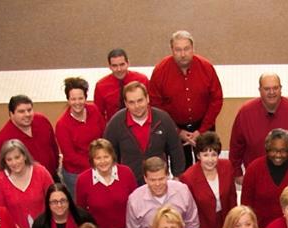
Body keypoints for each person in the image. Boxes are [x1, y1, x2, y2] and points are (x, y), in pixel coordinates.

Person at [149, 30, 223, 169]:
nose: (183, 54)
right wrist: (177, 131)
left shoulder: (206, 68)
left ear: (193, 48)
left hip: (204, 126)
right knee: (182, 169)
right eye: (178, 50)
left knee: (208, 167)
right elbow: (156, 105)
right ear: (172, 50)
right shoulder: (160, 71)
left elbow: (216, 99)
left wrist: (201, 131)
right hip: (174, 127)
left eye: (186, 49)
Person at [229, 73, 288, 177]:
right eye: (267, 89)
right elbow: (236, 147)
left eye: (275, 88)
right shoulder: (245, 113)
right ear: (259, 90)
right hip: (257, 177)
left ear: (281, 88)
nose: (272, 92)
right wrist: (237, 174)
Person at [103, 81, 185, 181]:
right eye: (131, 102)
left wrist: (177, 176)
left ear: (147, 98)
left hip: (158, 180)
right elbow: (108, 153)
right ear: (125, 103)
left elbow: (175, 149)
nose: (137, 106)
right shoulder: (116, 123)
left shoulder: (163, 119)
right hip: (129, 181)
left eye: (140, 100)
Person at [125, 156, 200, 228]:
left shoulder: (182, 191)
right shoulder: (134, 200)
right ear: (145, 179)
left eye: (161, 179)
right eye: (152, 180)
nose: (157, 184)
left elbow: (192, 223)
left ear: (168, 176)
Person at [73, 138, 138, 228]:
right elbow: (81, 212)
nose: (103, 161)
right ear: (92, 160)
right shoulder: (83, 180)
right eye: (98, 158)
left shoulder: (126, 173)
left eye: (106, 157)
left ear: (112, 156)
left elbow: (137, 203)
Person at [179, 131, 237, 228]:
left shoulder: (227, 166)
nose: (210, 160)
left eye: (214, 155)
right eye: (205, 155)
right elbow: (189, 211)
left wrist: (233, 222)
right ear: (198, 156)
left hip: (227, 223)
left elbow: (232, 196)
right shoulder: (188, 178)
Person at [240, 129, 288, 228]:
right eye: (273, 150)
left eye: (283, 151)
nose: (278, 155)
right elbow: (245, 206)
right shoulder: (253, 169)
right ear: (267, 148)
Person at [55, 77, 106, 199]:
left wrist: (103, 160)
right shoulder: (62, 125)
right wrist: (96, 164)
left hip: (100, 165)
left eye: (80, 98)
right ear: (68, 100)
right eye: (73, 99)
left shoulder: (94, 110)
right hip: (76, 174)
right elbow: (70, 156)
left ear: (85, 98)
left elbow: (104, 135)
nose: (77, 102)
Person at [0, 94, 59, 178]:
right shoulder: (4, 138)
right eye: (21, 111)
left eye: (29, 110)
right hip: (26, 184)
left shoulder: (42, 121)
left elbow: (54, 147)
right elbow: (0, 168)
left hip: (51, 177)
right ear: (11, 114)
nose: (27, 114)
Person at [94, 48, 150, 122]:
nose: (119, 69)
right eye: (114, 66)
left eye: (122, 64)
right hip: (115, 125)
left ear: (128, 63)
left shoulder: (142, 80)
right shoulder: (101, 86)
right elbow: (99, 114)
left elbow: (150, 105)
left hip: (141, 122)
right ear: (109, 67)